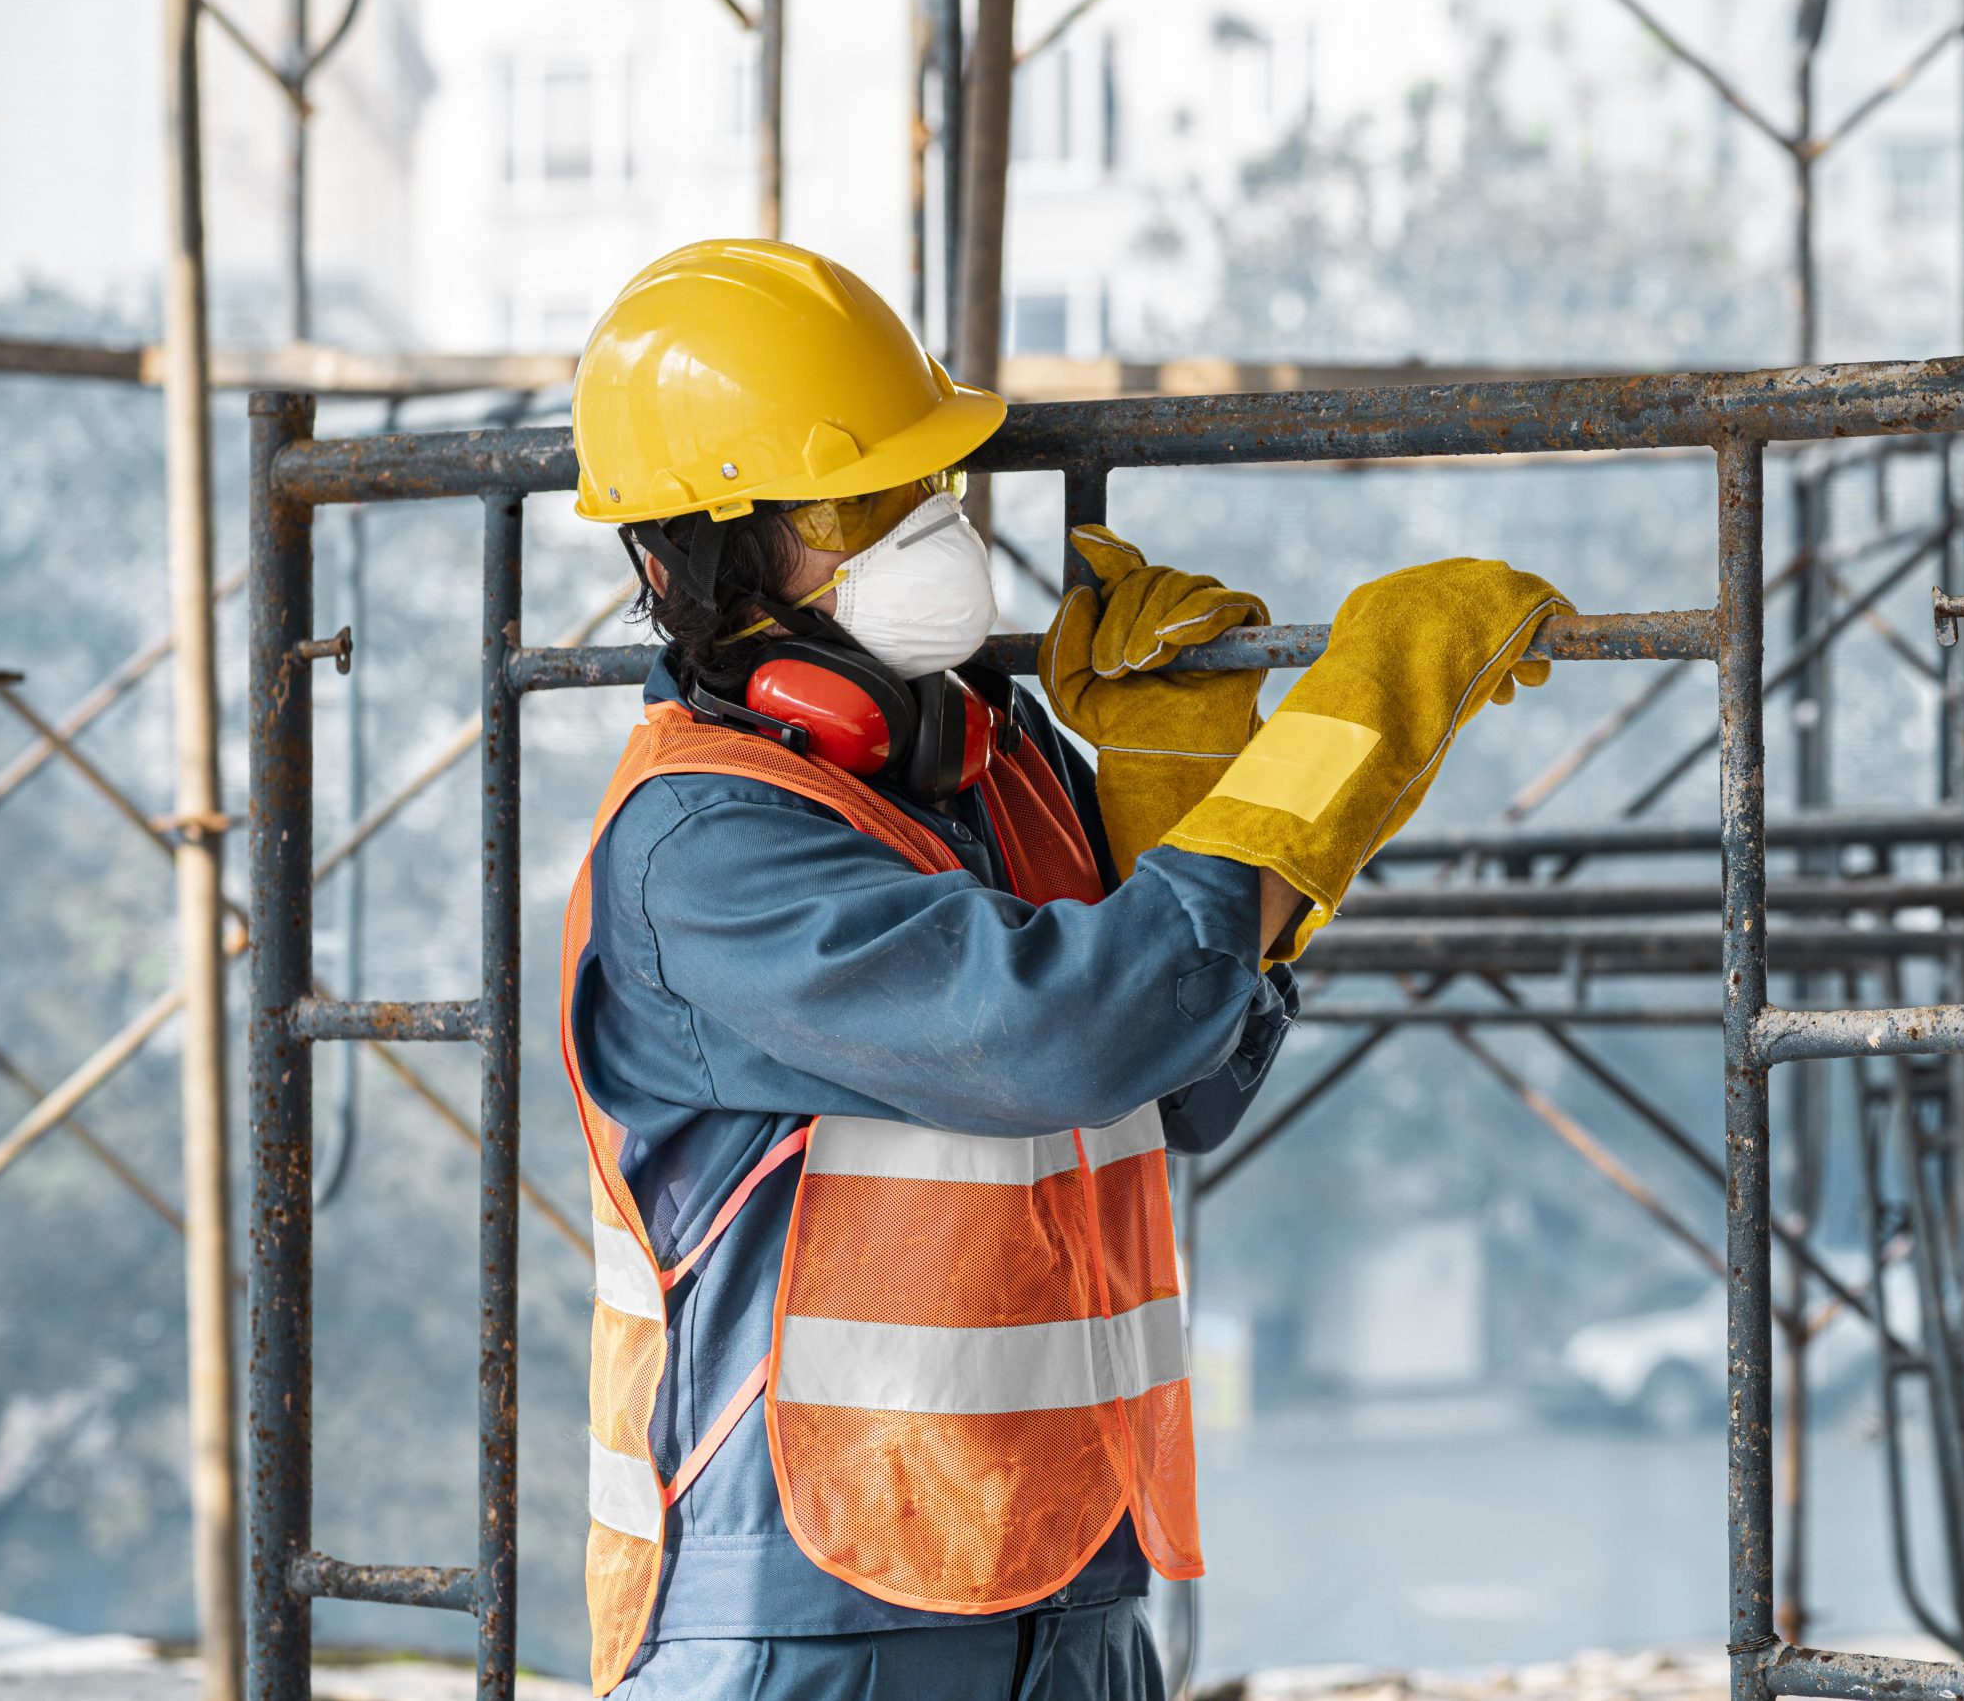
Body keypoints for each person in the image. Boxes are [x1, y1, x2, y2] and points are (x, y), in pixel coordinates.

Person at [560, 239, 1568, 1701]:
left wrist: (1167, 788)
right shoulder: (703, 847)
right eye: (857, 505)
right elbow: (1067, 1038)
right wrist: (1352, 737)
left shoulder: (995, 759)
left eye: (930, 490)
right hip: (799, 1607)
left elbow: (1184, 1083)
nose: (923, 535)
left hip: (1074, 1584)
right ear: (687, 563)